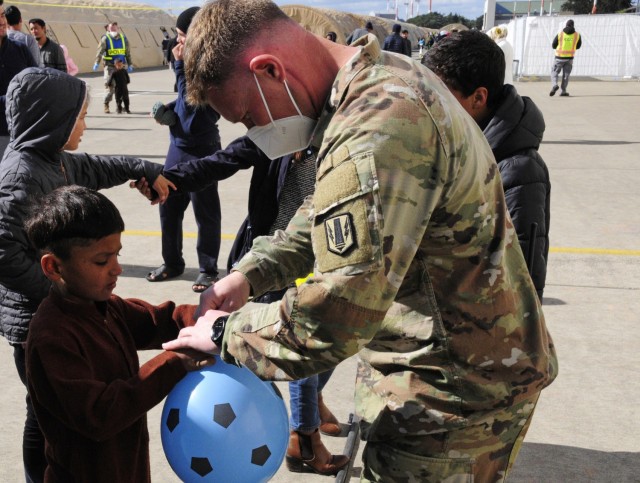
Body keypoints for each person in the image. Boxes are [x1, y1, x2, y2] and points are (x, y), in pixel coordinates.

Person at [163, 1, 558, 481]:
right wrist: (250, 274)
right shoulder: (380, 81)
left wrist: (228, 334)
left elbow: (335, 316)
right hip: (439, 376)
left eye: (248, 116)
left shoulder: (380, 124)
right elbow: (324, 216)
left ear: (269, 70)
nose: (256, 133)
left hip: (450, 399)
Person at [0, 67, 172, 483]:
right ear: (51, 119)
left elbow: (96, 168)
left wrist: (141, 168)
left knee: (50, 412)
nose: (85, 124)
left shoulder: (51, 159)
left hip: (66, 301)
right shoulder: (21, 176)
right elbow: (3, 253)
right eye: (78, 116)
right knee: (46, 417)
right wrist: (59, 289)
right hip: (36, 317)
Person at [23, 185, 214, 482]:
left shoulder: (106, 307)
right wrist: (176, 361)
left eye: (116, 255)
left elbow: (161, 321)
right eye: (102, 261)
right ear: (53, 266)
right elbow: (100, 414)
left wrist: (211, 318)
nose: (117, 269)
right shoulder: (52, 337)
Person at [423, 30, 551, 301]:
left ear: (478, 98)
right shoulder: (457, 145)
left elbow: (523, 282)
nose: (427, 105)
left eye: (439, 96)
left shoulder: (518, 171)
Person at [146, 6, 222, 294]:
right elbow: (183, 104)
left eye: (182, 35)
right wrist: (168, 110)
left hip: (201, 148)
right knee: (168, 205)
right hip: (178, 146)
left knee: (205, 212)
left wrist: (179, 67)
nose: (178, 43)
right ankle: (172, 262)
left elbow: (193, 114)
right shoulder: (187, 58)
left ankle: (208, 269)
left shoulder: (209, 65)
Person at [0, 1, 38, 155]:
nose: (2, 21)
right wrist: (14, 98)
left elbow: (35, 81)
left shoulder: (20, 49)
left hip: (24, 132)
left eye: (2, 16)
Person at [93, 22, 133, 113]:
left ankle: (119, 106)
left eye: (115, 28)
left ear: (118, 28)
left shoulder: (123, 38)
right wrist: (96, 62)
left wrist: (130, 64)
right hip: (110, 66)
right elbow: (100, 51)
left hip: (121, 66)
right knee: (110, 86)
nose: (113, 30)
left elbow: (127, 52)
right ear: (108, 29)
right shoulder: (105, 38)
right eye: (111, 28)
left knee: (122, 88)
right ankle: (106, 104)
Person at [550, 19, 581, 97]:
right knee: (566, 75)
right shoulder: (577, 35)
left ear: (566, 25)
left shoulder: (560, 34)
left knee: (554, 72)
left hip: (559, 58)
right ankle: (563, 91)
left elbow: (553, 45)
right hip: (570, 58)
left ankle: (554, 85)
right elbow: (578, 46)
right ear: (573, 26)